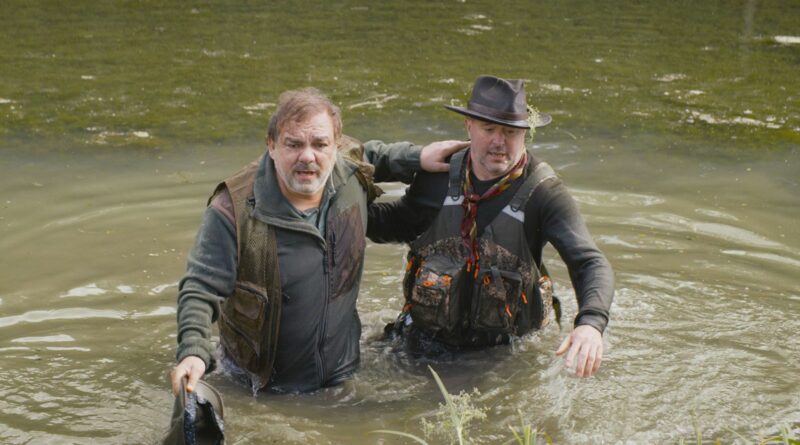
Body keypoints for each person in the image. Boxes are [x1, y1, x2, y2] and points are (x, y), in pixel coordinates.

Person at [170, 87, 468, 395]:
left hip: (343, 377)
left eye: (320, 144)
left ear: (335, 146)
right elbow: (200, 287)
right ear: (272, 146)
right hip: (260, 388)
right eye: (293, 144)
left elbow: (372, 153)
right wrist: (193, 351)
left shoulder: (348, 171)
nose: (308, 156)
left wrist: (418, 157)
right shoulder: (233, 209)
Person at [368, 75, 614, 378]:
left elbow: (590, 261)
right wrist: (335, 204)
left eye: (511, 132)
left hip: (505, 356)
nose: (499, 141)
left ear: (526, 133)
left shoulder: (544, 194)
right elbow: (392, 224)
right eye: (489, 129)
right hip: (425, 342)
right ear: (468, 127)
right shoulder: (437, 177)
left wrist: (590, 324)